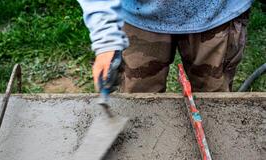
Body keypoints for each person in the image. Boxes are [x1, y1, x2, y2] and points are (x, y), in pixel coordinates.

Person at [77, 0, 253, 92]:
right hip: (138, 15)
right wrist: (105, 37)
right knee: (140, 105)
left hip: (217, 12)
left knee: (214, 104)